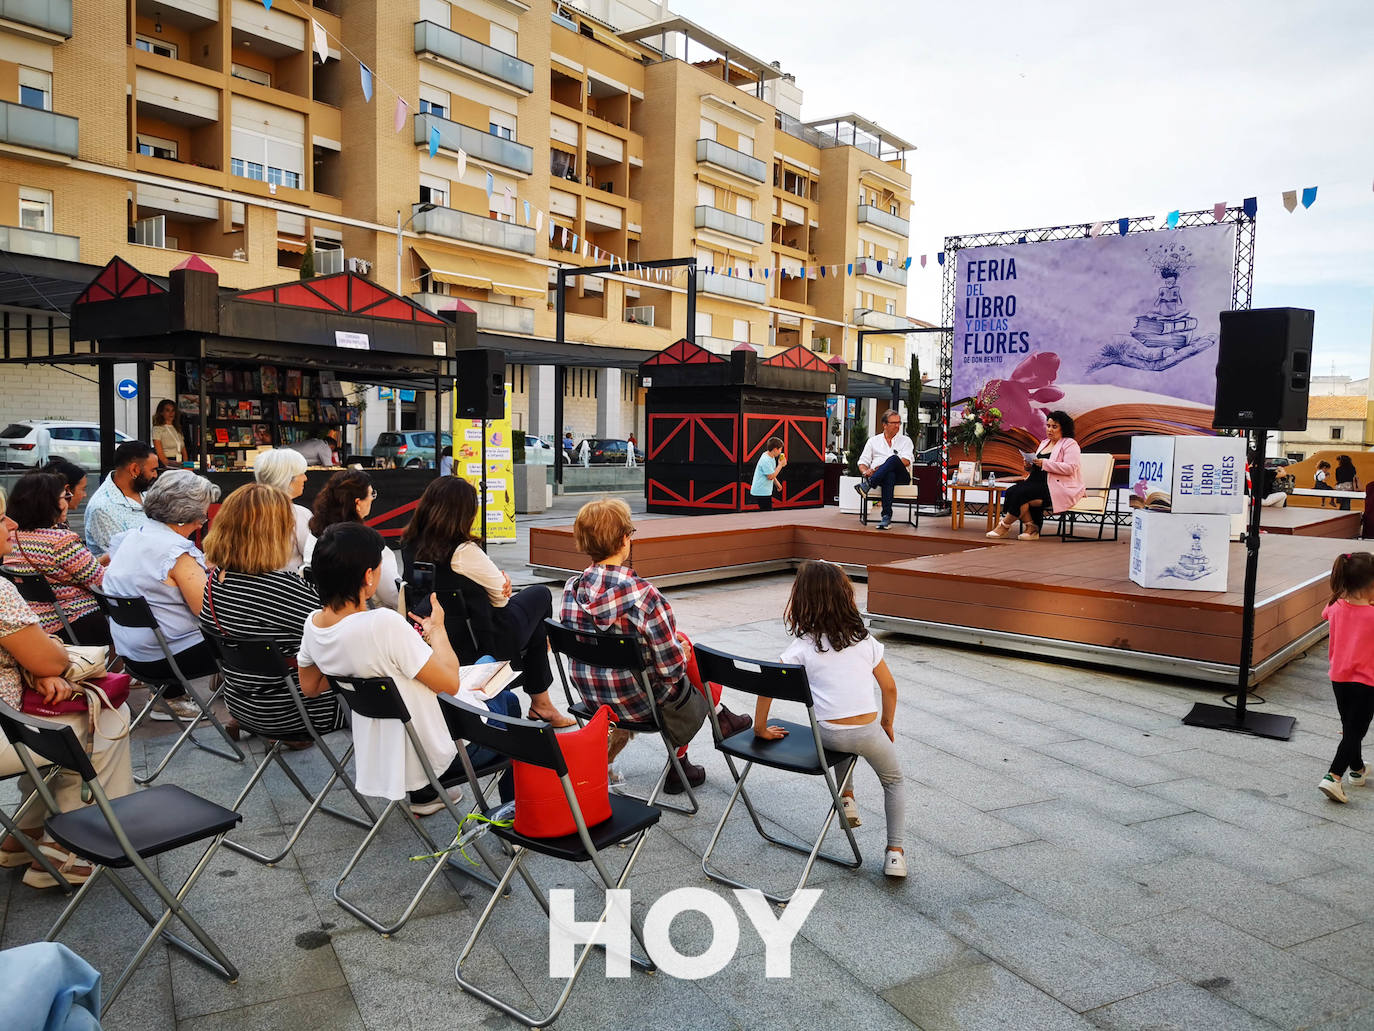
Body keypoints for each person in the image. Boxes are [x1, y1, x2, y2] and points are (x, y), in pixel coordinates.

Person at [296, 523, 520, 815]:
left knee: (486, 664)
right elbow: (450, 683)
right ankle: (515, 815)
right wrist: (438, 630)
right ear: (367, 576)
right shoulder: (383, 624)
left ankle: (434, 796)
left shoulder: (315, 625)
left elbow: (310, 687)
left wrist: (353, 659)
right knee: (511, 704)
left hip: (385, 756)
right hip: (440, 755)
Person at [559, 498, 752, 793]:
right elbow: (671, 670)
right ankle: (693, 746)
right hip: (640, 706)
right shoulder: (646, 597)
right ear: (625, 539)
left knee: (681, 642)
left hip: (592, 701)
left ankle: (715, 727)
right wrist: (682, 653)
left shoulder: (571, 590)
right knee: (699, 668)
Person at [0, 487, 135, 889]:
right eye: (1, 518)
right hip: (8, 729)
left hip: (11, 714)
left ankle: (23, 833)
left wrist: (36, 665)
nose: (11, 525)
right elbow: (52, 658)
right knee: (104, 713)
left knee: (54, 711)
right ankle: (76, 848)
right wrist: (46, 660)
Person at [757, 560, 906, 878]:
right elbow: (889, 688)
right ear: (845, 597)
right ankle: (895, 853)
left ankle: (847, 796)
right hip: (867, 731)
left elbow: (767, 683)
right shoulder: (864, 640)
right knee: (893, 782)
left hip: (827, 734)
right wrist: (887, 723)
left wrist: (759, 727)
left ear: (803, 601)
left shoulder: (803, 646)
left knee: (840, 737)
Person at [399, 477, 571, 727]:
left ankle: (542, 705)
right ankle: (541, 704)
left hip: (443, 640)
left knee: (534, 624)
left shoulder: (409, 545)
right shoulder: (463, 550)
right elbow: (502, 599)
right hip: (485, 641)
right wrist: (503, 579)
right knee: (540, 596)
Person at [199, 484, 343, 740]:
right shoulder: (278, 589)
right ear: (271, 533)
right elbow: (343, 631)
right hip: (299, 709)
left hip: (243, 705)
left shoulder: (215, 581)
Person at [102, 470, 221, 722]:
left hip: (132, 654)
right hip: (168, 659)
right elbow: (209, 612)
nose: (202, 522)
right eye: (201, 514)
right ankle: (258, 708)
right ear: (182, 516)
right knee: (256, 638)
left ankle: (170, 699)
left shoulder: (132, 538)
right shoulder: (175, 553)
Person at [2, 472, 109, 646]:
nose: (67, 501)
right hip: (76, 620)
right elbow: (103, 582)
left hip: (38, 623)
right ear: (47, 502)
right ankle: (117, 670)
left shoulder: (12, 537)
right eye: (64, 496)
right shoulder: (60, 540)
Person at [1317, 552, 1374, 804]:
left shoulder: (1334, 605)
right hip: (1367, 681)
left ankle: (1357, 769)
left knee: (1350, 725)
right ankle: (1333, 776)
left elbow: (1325, 614)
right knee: (1355, 730)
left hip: (1339, 678)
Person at [304, 470, 399, 610]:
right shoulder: (369, 545)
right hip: (358, 614)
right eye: (371, 494)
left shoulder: (314, 535)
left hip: (320, 611)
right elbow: (392, 595)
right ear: (357, 503)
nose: (372, 498)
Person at [987, 409, 1085, 541]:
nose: (1049, 429)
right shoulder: (1044, 443)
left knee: (1021, 494)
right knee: (1012, 491)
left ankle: (1004, 526)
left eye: (1054, 427)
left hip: (1054, 486)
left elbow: (1070, 468)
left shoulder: (1070, 444)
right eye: (1048, 426)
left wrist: (1045, 463)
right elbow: (1038, 467)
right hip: (1035, 482)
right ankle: (1032, 527)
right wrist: (1029, 466)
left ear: (1064, 428)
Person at [83, 440, 158, 560]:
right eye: (152, 470)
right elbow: (124, 557)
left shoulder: (145, 491)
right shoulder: (102, 508)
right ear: (134, 469)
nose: (155, 475)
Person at [253, 448, 313, 572]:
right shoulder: (298, 514)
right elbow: (314, 557)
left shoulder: (246, 510)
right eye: (301, 473)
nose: (305, 478)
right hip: (288, 587)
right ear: (287, 478)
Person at [854, 410, 914, 530]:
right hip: (883, 478)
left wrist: (880, 468)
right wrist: (866, 472)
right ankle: (886, 517)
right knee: (889, 475)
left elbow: (906, 461)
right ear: (884, 425)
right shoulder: (873, 441)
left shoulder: (906, 441)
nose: (897, 426)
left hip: (902, 476)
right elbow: (862, 462)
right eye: (894, 423)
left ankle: (868, 484)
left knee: (893, 459)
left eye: (899, 422)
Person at [750, 437, 786, 511]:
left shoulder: (770, 456)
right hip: (761, 492)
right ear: (775, 449)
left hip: (764, 491)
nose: (780, 452)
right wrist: (780, 465)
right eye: (780, 449)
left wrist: (777, 483)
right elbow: (770, 476)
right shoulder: (765, 460)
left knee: (767, 513)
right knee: (767, 514)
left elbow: (771, 472)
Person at [151, 398, 186, 468]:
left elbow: (183, 450)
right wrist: (169, 463)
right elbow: (159, 453)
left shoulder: (177, 428)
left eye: (173, 411)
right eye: (167, 410)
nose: (171, 413)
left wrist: (186, 464)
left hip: (179, 462)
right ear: (161, 412)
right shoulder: (157, 429)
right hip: (167, 463)